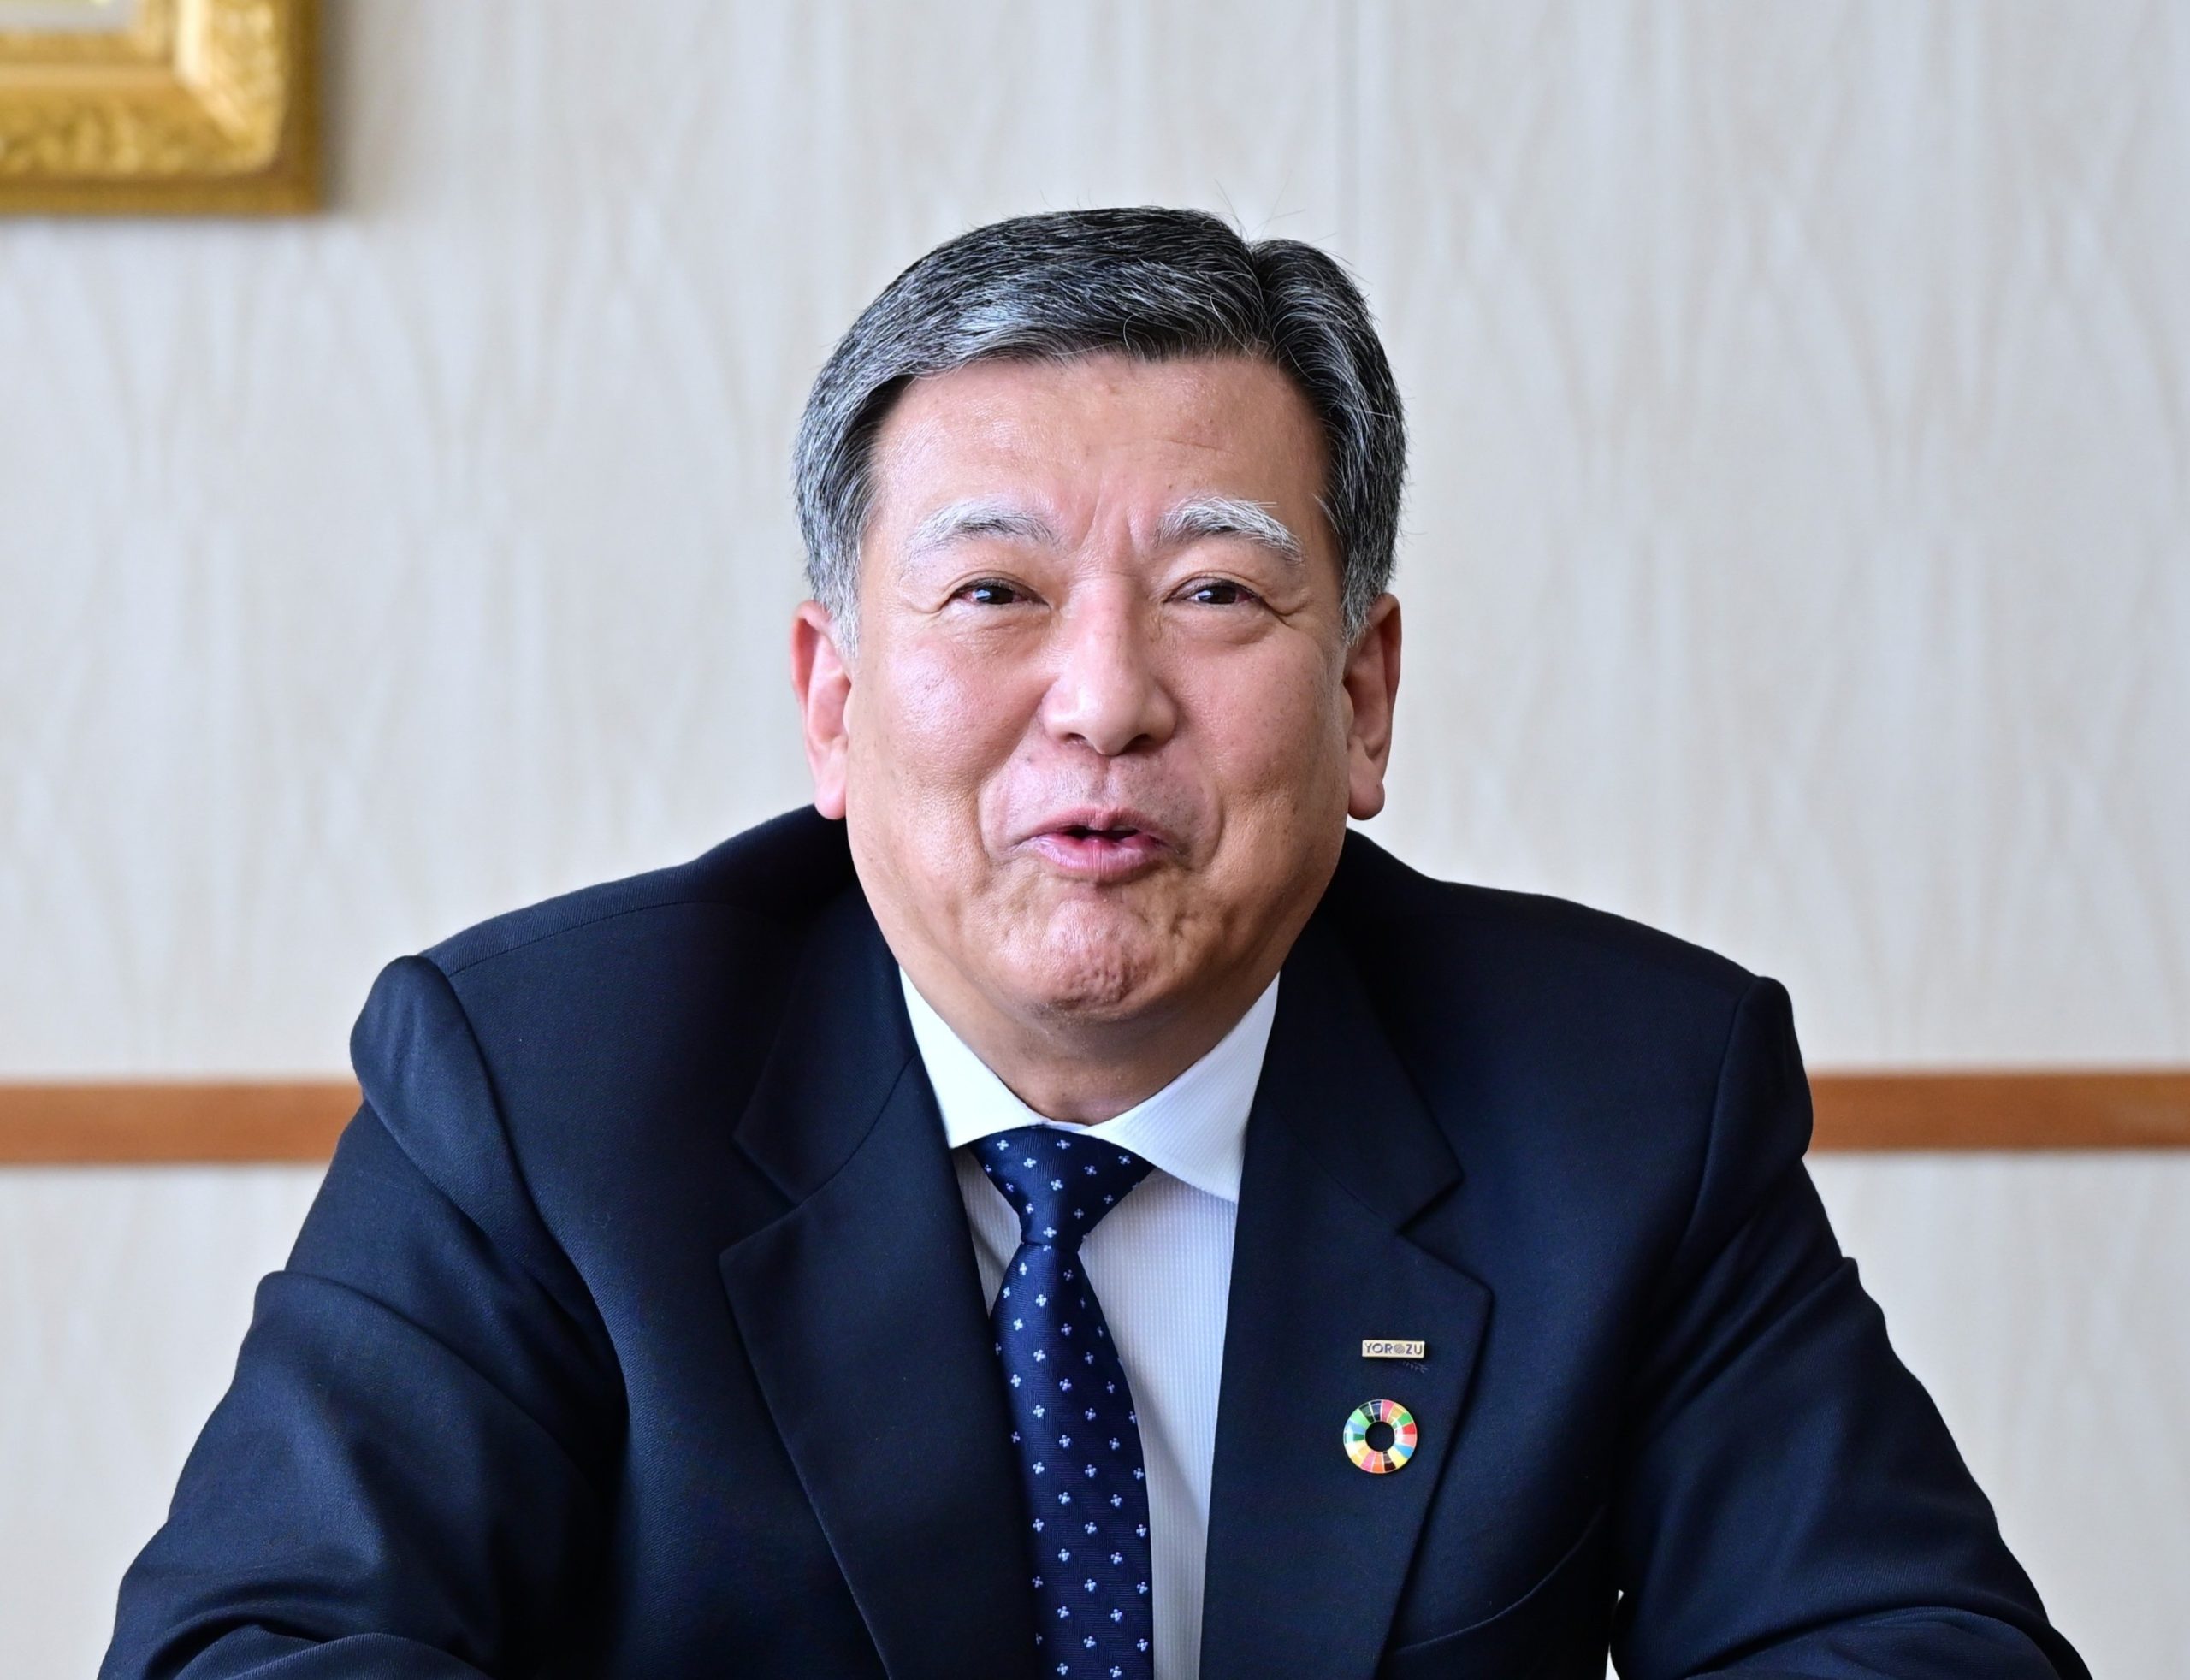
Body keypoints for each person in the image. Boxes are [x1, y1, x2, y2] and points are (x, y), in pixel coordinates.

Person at [103, 208, 2087, 1680]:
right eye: (994, 592)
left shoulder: (1622, 1099)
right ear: (831, 704)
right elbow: (257, 1647)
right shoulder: (548, 1086)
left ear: (1362, 696)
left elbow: (1904, 1646)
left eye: (1213, 590)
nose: (1103, 699)